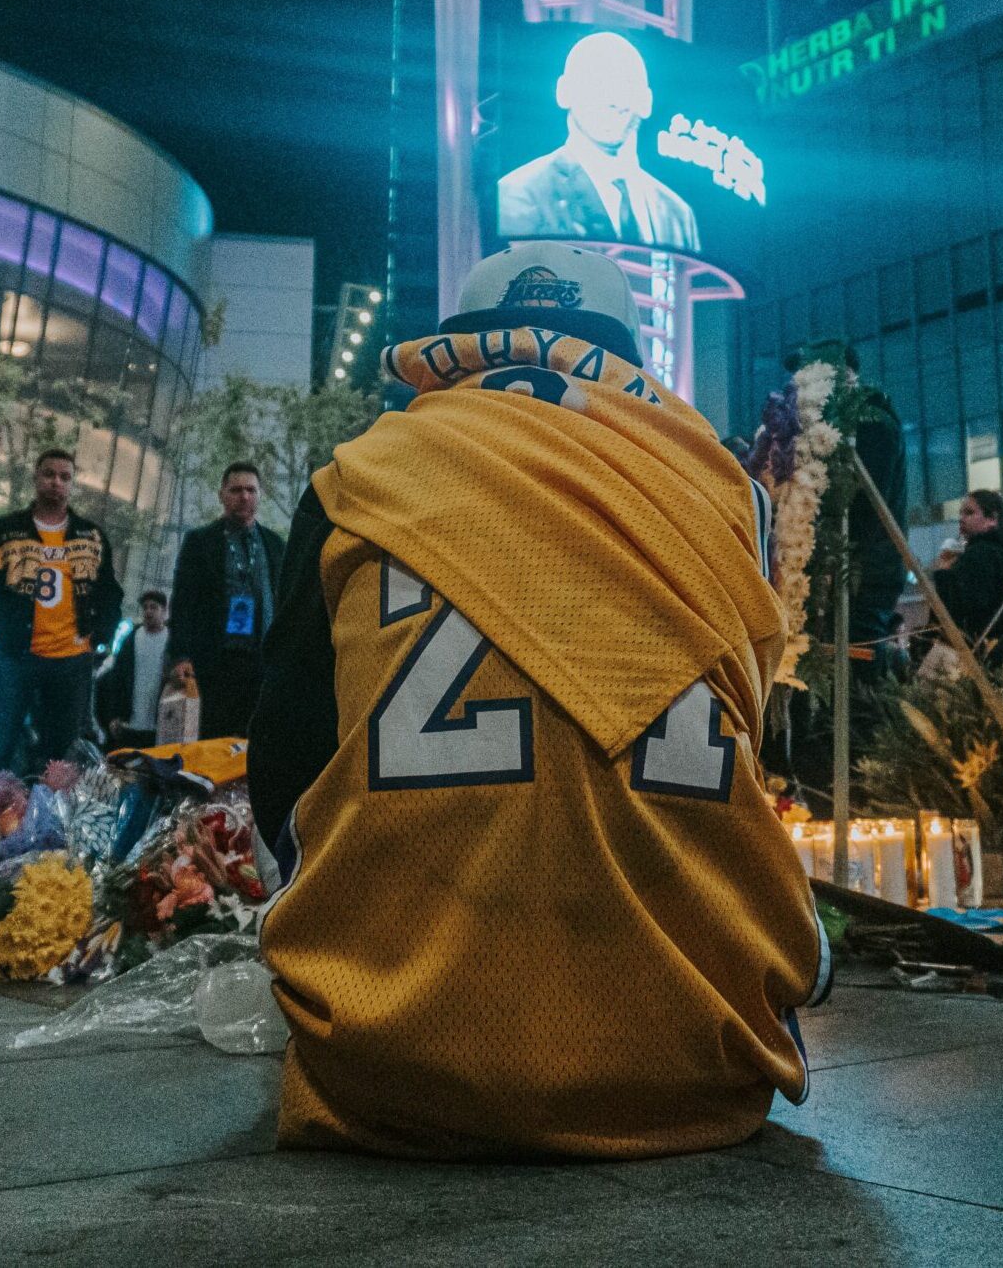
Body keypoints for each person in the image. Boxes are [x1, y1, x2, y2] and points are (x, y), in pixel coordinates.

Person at [249, 243, 826, 1158]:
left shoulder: (356, 473)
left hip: (390, 1052)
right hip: (687, 1055)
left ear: (460, 347)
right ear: (625, 352)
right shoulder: (727, 487)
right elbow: (747, 735)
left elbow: (284, 753)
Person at [0, 450, 123, 773]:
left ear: (73, 484)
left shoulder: (91, 537)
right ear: (36, 477)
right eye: (49, 474)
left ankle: (46, 806)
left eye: (65, 477)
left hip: (71, 660)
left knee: (60, 757)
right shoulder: (1, 532)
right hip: (13, 656)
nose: (56, 482)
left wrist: (101, 638)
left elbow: (110, 592)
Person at [495, 31, 701, 252]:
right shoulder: (521, 192)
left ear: (646, 101)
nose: (611, 99)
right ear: (563, 92)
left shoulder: (678, 214)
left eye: (625, 85)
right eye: (595, 83)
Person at [169, 462, 286, 739]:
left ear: (260, 495)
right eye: (236, 490)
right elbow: (183, 602)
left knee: (255, 741)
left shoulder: (275, 545)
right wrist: (180, 655)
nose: (244, 496)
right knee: (212, 738)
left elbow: (284, 603)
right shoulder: (200, 542)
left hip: (261, 664)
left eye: (251, 490)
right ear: (222, 494)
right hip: (215, 663)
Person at [928, 490, 1003, 665]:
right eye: (960, 513)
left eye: (969, 513)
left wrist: (943, 574)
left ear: (992, 519)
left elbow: (961, 610)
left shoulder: (978, 554)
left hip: (990, 654)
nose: (961, 519)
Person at [96, 590, 179, 749]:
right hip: (131, 723)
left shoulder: (172, 641)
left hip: (159, 724)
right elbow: (118, 679)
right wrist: (114, 715)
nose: (148, 611)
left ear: (164, 611)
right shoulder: (132, 639)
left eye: (153, 607)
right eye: (145, 607)